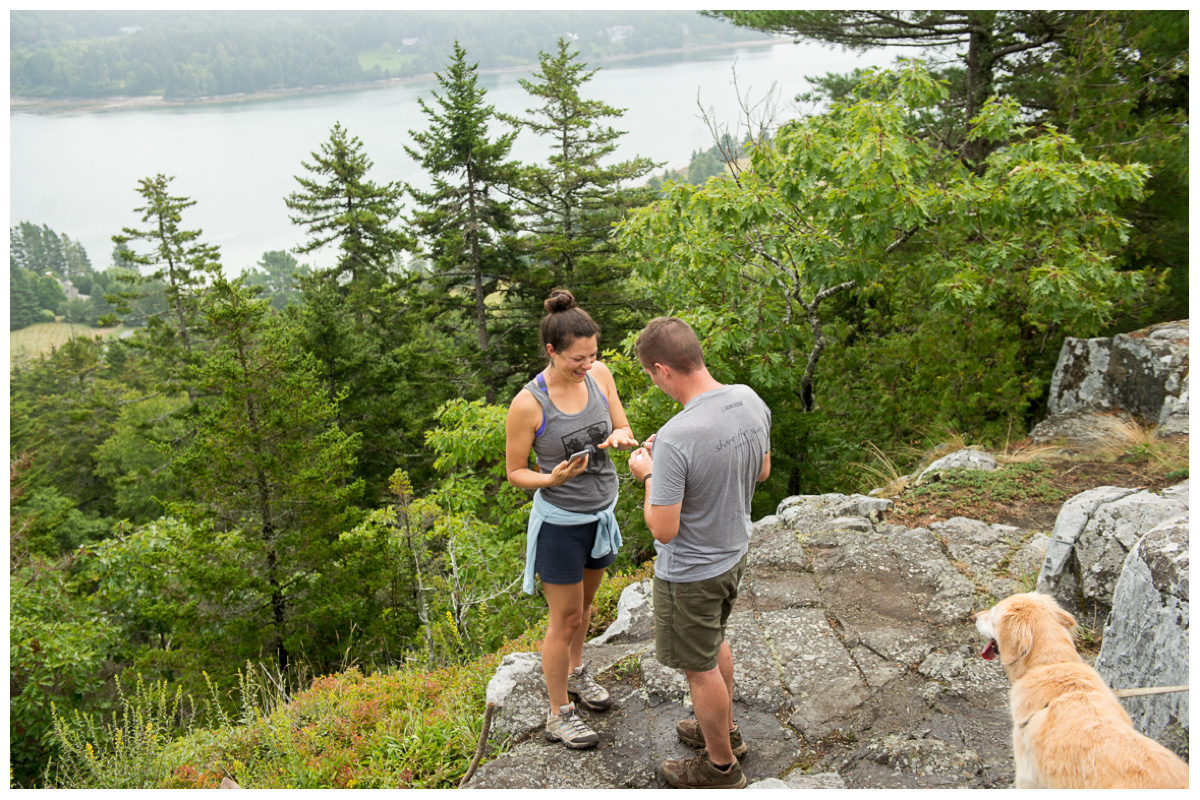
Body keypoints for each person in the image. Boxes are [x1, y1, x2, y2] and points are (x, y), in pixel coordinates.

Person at [626, 316, 771, 790]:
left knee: (699, 665)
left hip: (690, 571)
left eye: (651, 375)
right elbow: (762, 471)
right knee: (714, 640)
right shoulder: (748, 398)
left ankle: (721, 767)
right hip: (734, 552)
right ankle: (725, 730)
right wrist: (668, 465)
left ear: (663, 369)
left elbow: (664, 529)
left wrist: (648, 473)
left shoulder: (677, 435)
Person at [505, 288, 639, 750]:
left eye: (592, 356)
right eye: (577, 359)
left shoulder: (600, 375)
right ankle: (558, 712)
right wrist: (550, 479)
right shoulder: (529, 403)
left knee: (584, 610)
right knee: (562, 619)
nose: (587, 365)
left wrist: (621, 438)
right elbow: (514, 471)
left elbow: (622, 424)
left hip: (601, 513)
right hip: (561, 524)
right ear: (551, 352)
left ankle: (577, 673)